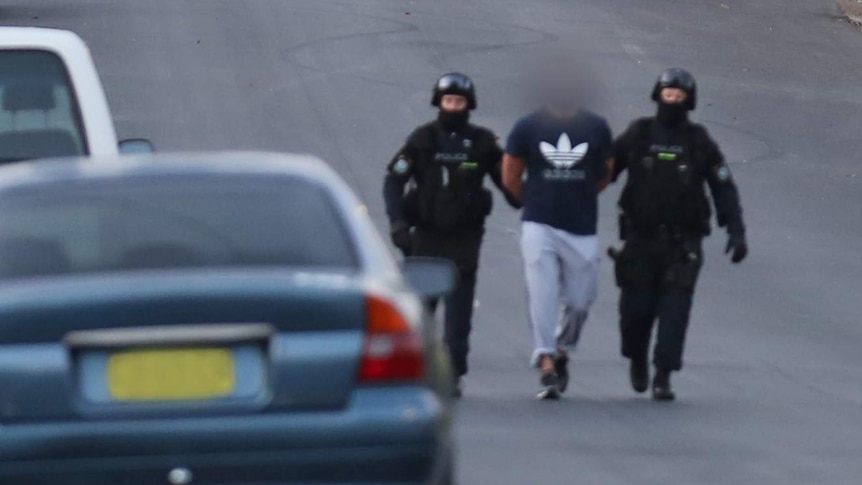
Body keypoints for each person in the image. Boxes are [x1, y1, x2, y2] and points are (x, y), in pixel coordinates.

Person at [610, 68, 748, 401]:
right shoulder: (639, 134)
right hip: (640, 240)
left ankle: (663, 375)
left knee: (675, 312)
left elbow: (723, 186)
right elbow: (604, 170)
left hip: (682, 243)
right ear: (657, 95)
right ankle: (638, 357)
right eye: (667, 94)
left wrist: (736, 229)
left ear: (690, 100)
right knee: (635, 312)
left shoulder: (699, 141)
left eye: (679, 96)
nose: (672, 100)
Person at [383, 72, 520, 397]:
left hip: (465, 238)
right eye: (448, 101)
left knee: (459, 312)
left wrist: (526, 200)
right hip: (426, 236)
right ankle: (415, 371)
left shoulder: (484, 143)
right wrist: (397, 222)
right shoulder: (421, 140)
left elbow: (509, 183)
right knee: (420, 310)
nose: (453, 107)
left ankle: (453, 371)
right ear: (438, 103)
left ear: (468, 105)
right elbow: (394, 180)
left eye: (459, 102)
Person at [502, 63, 614, 400]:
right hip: (539, 224)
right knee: (543, 293)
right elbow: (510, 174)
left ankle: (563, 349)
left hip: (581, 226)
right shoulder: (528, 127)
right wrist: (532, 204)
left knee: (580, 301)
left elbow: (605, 173)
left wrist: (578, 196)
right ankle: (546, 362)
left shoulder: (596, 127)